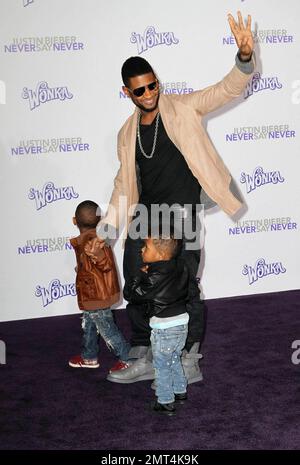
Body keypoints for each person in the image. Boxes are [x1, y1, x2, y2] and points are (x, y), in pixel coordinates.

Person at [89, 11, 255, 383]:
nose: (149, 94)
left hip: (181, 214)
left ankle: (188, 358)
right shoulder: (125, 133)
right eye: (140, 90)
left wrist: (244, 57)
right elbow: (122, 184)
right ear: (127, 93)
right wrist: (105, 232)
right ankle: (144, 354)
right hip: (145, 216)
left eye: (153, 86)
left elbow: (226, 89)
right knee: (136, 283)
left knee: (183, 287)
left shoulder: (183, 108)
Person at [125, 231, 189, 416]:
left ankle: (165, 401)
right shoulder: (181, 266)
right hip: (182, 323)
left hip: (164, 328)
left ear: (160, 255)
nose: (142, 250)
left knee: (161, 365)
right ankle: (180, 390)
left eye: (146, 247)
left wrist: (138, 276)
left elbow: (133, 295)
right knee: (175, 359)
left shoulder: (153, 276)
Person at [68, 200, 130, 369]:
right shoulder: (94, 238)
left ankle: (127, 358)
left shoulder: (94, 242)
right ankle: (89, 356)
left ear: (75, 221)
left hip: (96, 295)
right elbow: (92, 266)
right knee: (89, 323)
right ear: (100, 219)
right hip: (93, 294)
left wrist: (98, 256)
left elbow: (105, 264)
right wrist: (81, 268)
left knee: (107, 328)